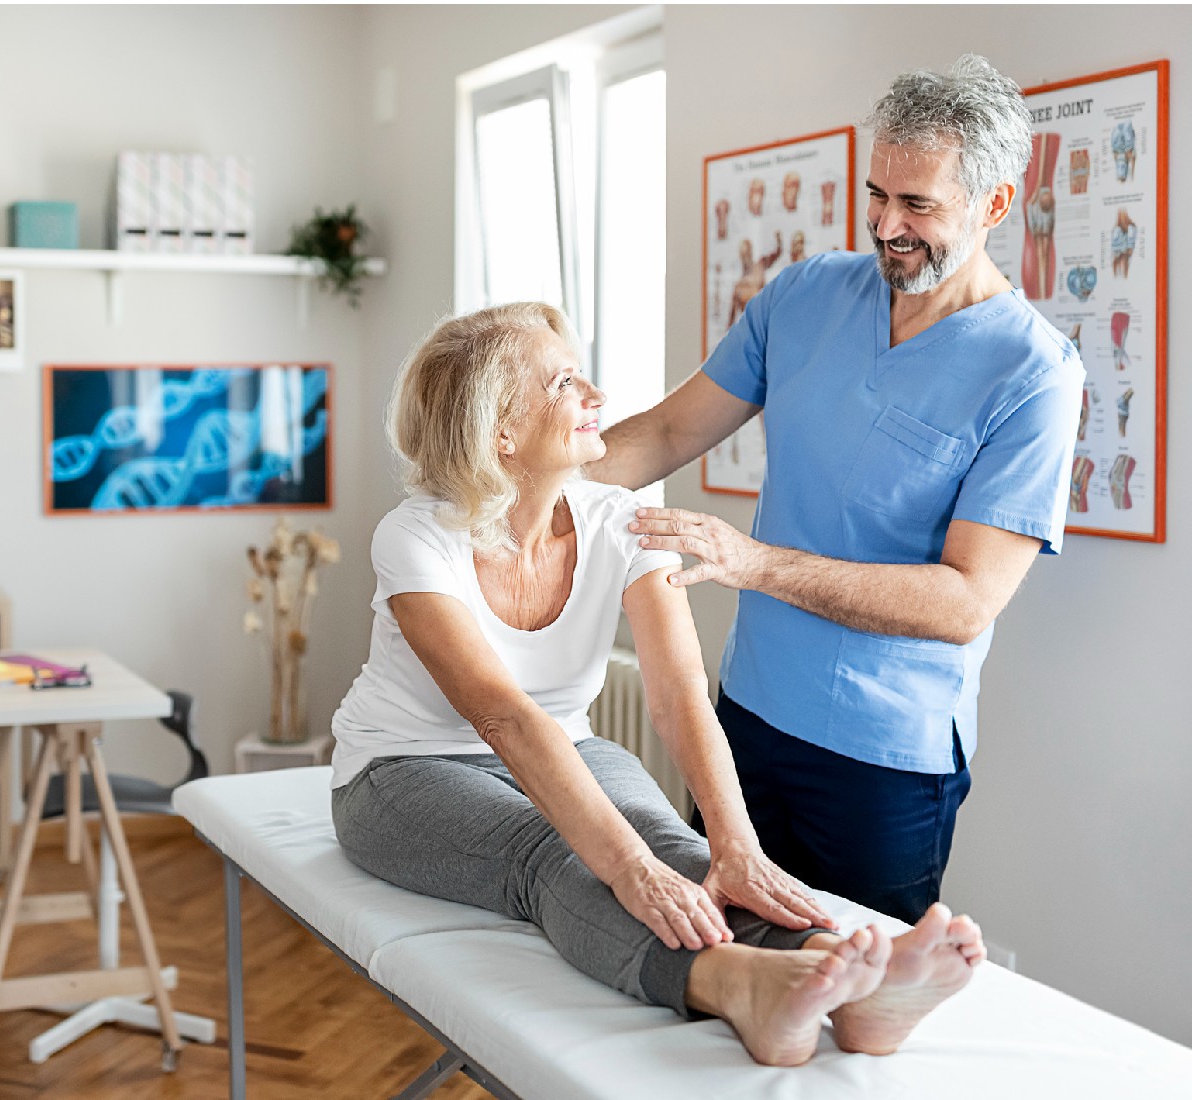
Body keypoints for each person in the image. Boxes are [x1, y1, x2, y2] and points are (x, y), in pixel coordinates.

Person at [330, 302, 987, 1067]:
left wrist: (734, 846)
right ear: (500, 433)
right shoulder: (415, 537)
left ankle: (845, 978)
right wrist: (627, 869)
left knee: (675, 844)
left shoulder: (626, 520)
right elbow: (503, 717)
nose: (597, 397)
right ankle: (741, 987)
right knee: (560, 851)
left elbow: (679, 697)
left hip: (564, 744)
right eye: (564, 382)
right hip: (401, 771)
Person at [590, 55, 1084, 924]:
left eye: (919, 205)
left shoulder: (1034, 376)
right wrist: (509, 489)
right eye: (876, 195)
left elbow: (968, 600)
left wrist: (754, 563)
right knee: (715, 966)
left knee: (852, 1013)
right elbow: (668, 432)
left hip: (882, 766)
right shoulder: (807, 294)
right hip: (741, 721)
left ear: (995, 205)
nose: (887, 225)